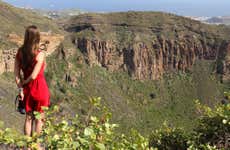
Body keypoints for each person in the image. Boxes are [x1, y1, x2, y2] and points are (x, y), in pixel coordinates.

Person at [14, 25, 50, 140]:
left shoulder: (20, 52)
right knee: (39, 119)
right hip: (40, 89)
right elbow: (34, 76)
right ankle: (36, 144)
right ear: (37, 38)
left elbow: (16, 74)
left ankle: (28, 145)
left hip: (27, 90)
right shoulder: (40, 54)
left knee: (28, 118)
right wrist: (26, 81)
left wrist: (21, 87)